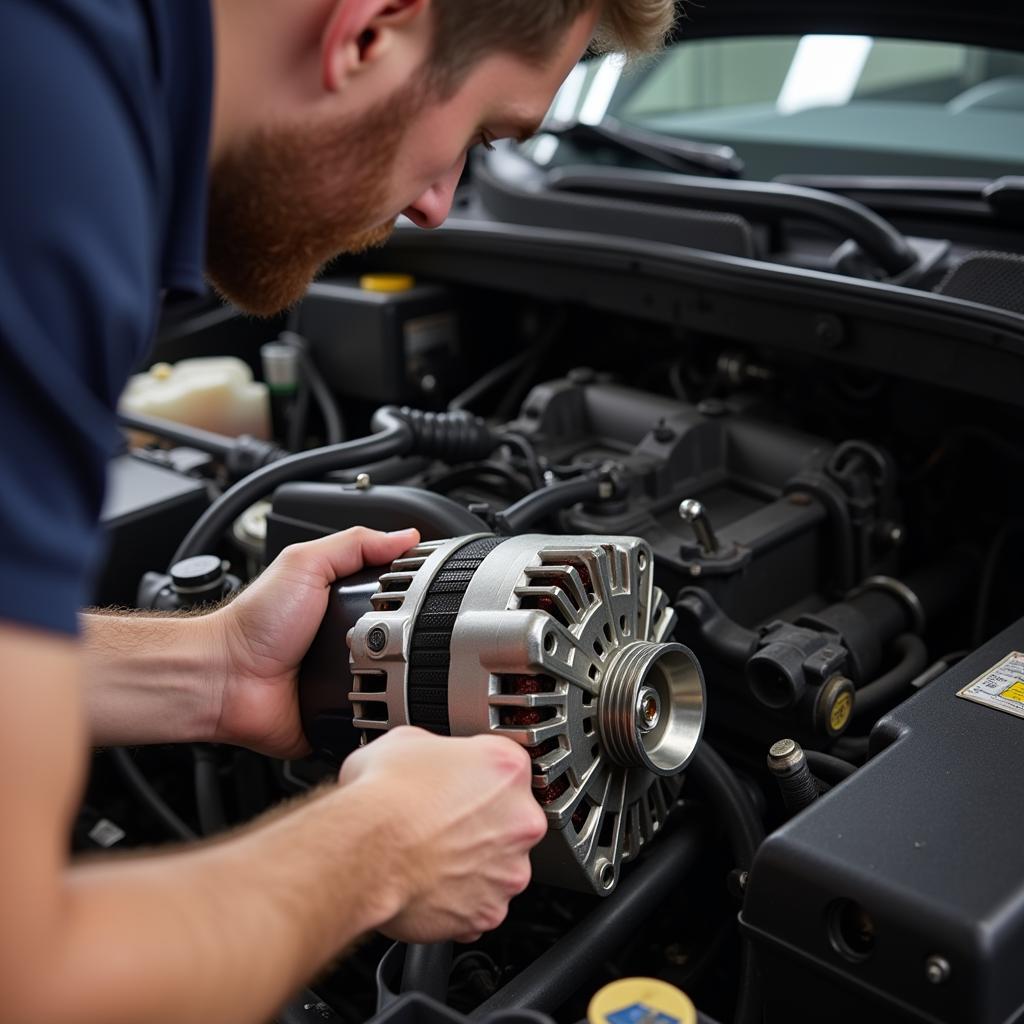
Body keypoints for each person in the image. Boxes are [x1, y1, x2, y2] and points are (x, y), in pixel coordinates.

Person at [0, 1, 674, 1022]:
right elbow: (29, 975)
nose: (442, 205)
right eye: (484, 134)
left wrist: (213, 669)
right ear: (369, 33)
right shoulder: (52, 158)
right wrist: (379, 849)